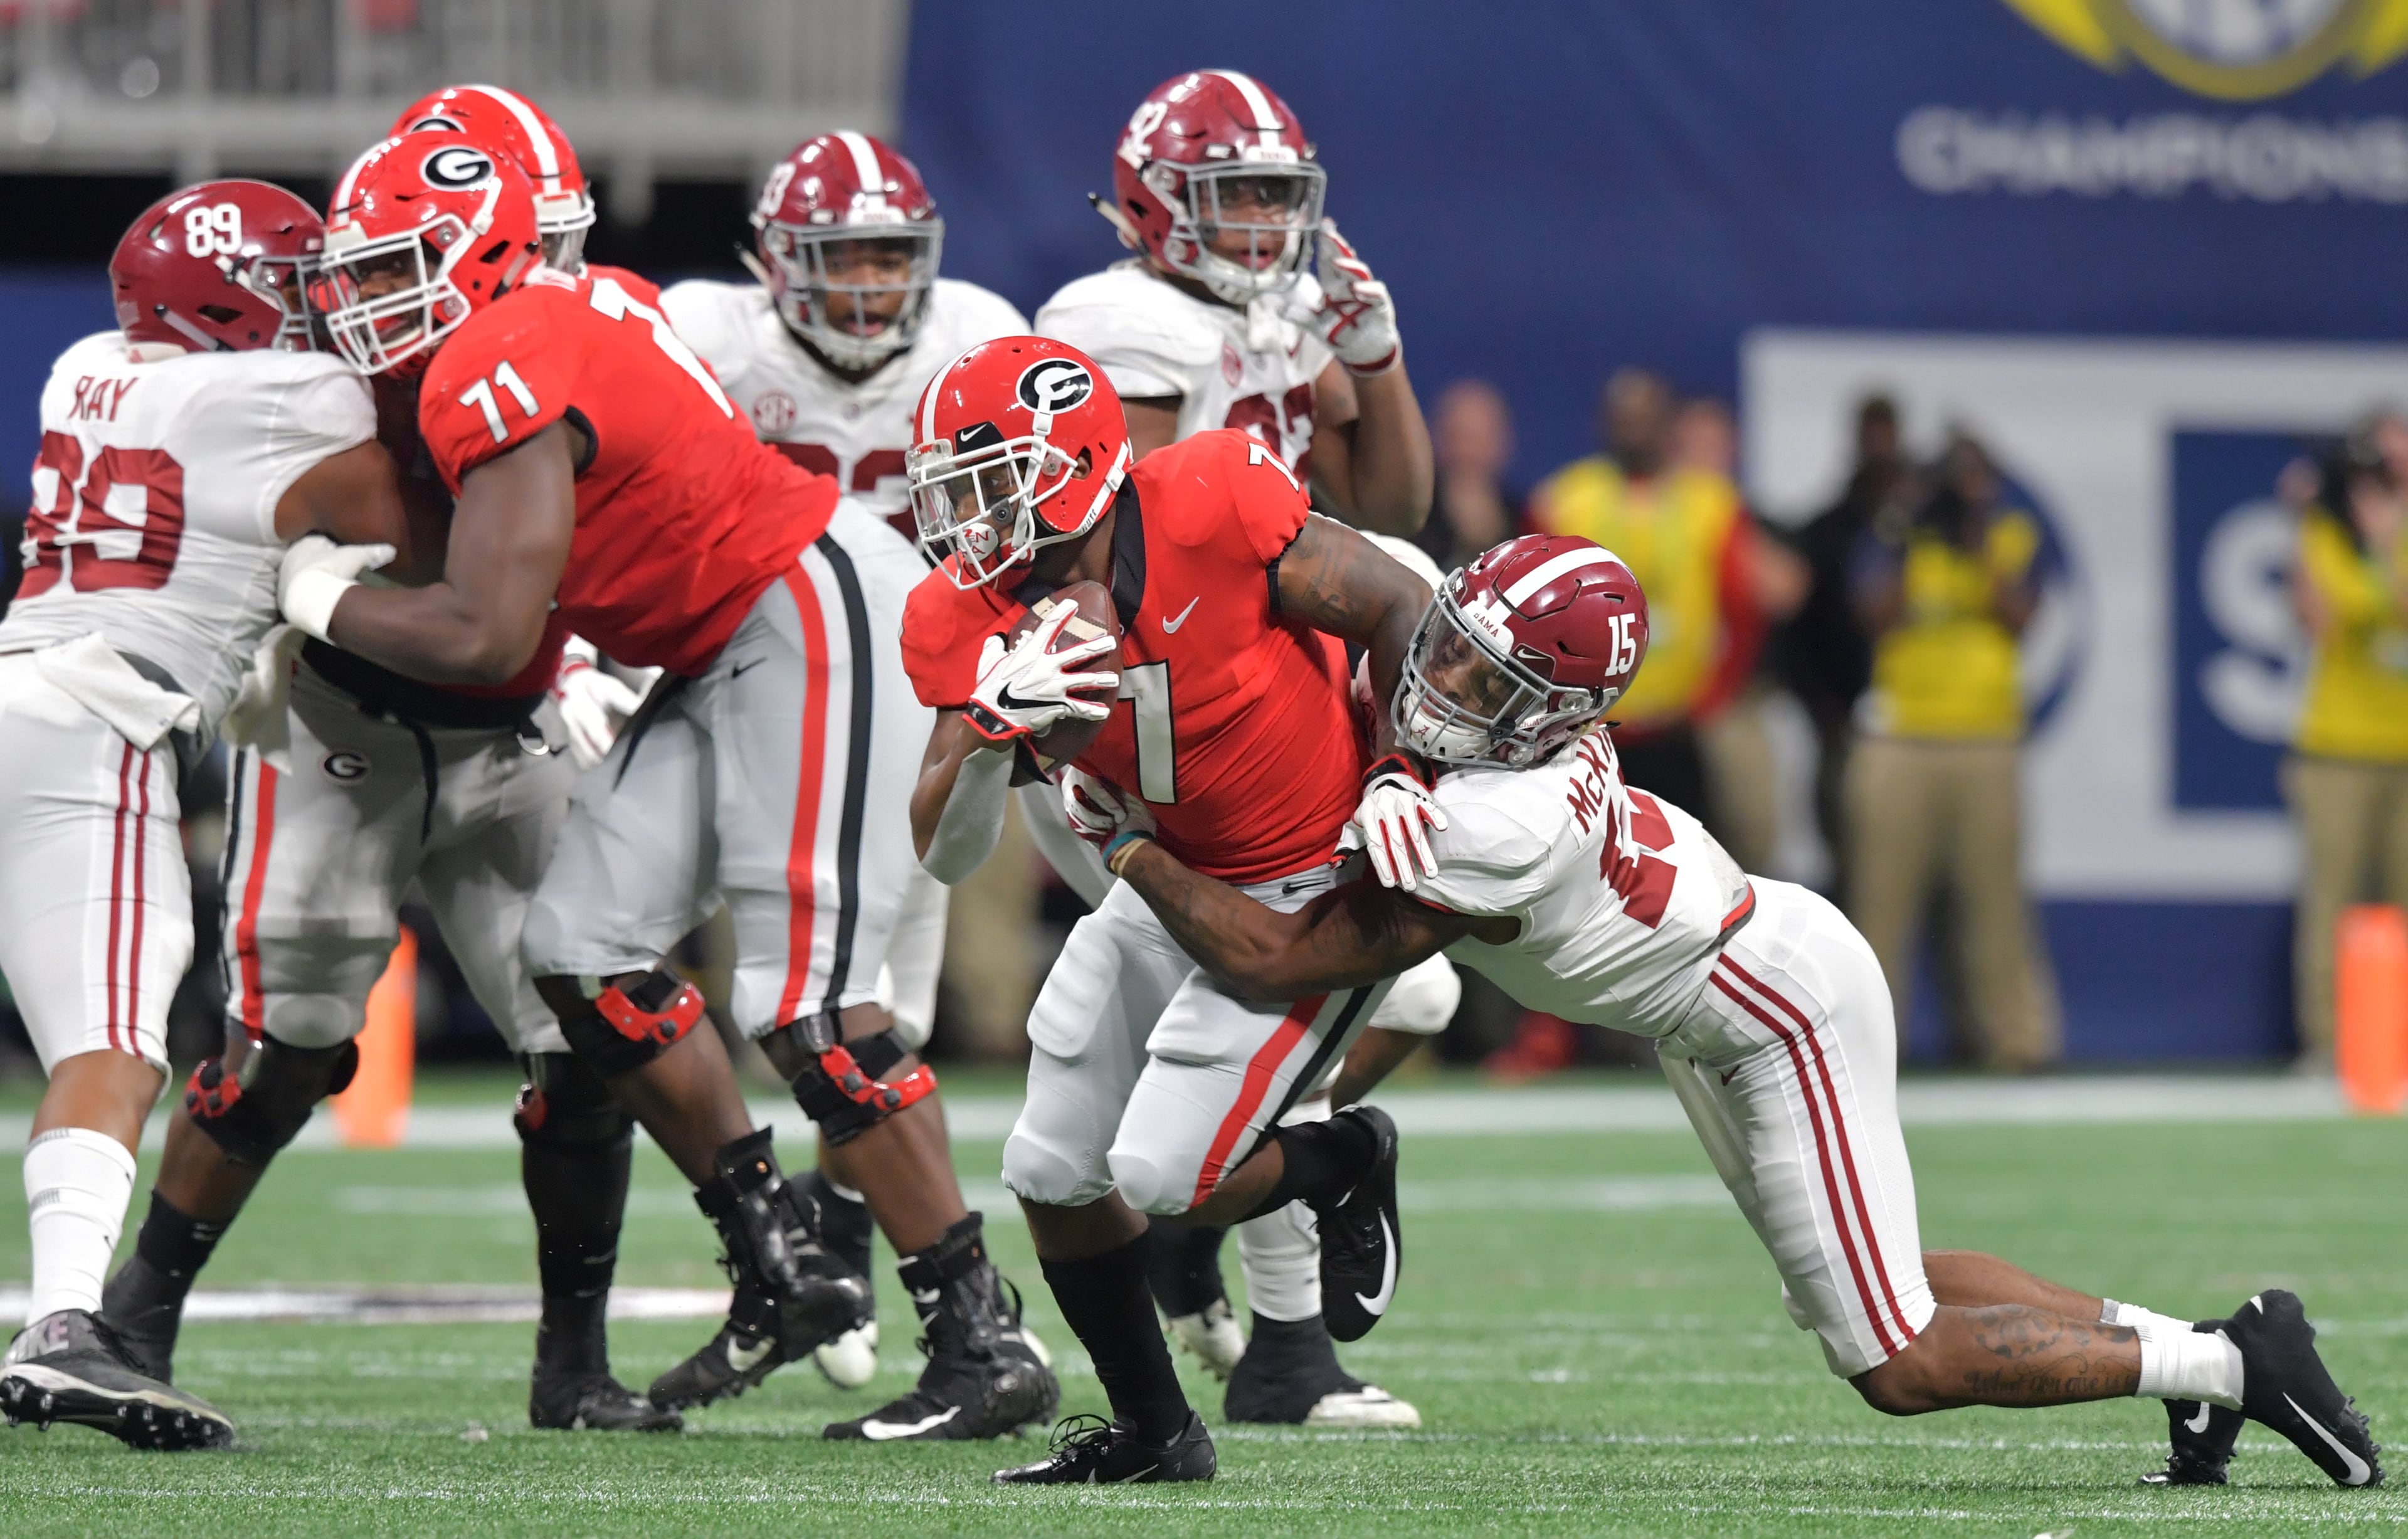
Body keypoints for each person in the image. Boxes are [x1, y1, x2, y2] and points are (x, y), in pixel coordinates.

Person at [1089, 531, 2383, 1494]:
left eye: (1490, 689)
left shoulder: (1506, 819)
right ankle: (2199, 1353)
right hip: (1711, 999)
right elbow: (1375, 598)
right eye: (1454, 654)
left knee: (1896, 1362)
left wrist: (1131, 846)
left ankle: (2231, 1367)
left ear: (1557, 718)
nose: (1445, 689)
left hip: (1774, 1007)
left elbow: (1279, 959)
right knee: (1867, 1293)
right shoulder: (1496, 731)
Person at [286, 131, 1057, 1442]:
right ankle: (781, 1258)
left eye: (403, 263)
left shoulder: (499, 346)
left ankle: (983, 1340)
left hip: (805, 610)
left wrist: (313, 595)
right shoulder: (585, 308)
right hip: (715, 644)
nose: (371, 299)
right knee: (578, 948)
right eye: (361, 272)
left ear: (494, 246)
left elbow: (481, 632)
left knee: (810, 1005)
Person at [98, 83, 682, 1440]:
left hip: (519, 717)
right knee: (288, 1039)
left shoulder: (584, 348)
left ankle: (573, 1365)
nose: (547, 278)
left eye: (553, 245)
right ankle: (134, 1316)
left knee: (577, 1033)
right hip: (336, 727)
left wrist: (598, 654)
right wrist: (234, 628)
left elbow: (630, 525)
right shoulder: (315, 369)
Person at [900, 336, 1435, 1482]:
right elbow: (944, 852)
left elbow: (1398, 601)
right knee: (1050, 1163)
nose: (971, 519)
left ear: (1079, 459)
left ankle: (1340, 1156)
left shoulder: (1206, 498)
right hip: (1167, 876)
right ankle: (1155, 1432)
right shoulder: (963, 615)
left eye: (993, 480)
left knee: (1158, 1172)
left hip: (1314, 872)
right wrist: (992, 731)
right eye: (957, 486)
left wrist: (1402, 774)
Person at [1030, 67, 1445, 1427]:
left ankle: (1217, 1244)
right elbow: (1129, 544)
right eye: (1237, 193)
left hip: (1243, 715)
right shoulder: (1114, 320)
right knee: (1260, 1010)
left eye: (1279, 192)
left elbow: (1386, 511)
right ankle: (1274, 1333)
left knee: (1397, 998)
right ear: (1154, 206)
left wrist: (1369, 354)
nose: (1266, 222)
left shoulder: (1274, 317)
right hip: (1130, 729)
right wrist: (1282, 368)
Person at [0, 179, 414, 1449]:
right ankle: (67, 1325)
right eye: (298, 289)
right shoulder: (288, 397)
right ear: (233, 307)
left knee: (99, 1039)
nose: (325, 310)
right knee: (115, 1047)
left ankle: (66, 1325)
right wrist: (313, 574)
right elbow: (406, 522)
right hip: (97, 736)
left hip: (28, 685)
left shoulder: (83, 364)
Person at [658, 129, 1034, 1399]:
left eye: (891, 257)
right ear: (775, 263)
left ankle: (836, 1244)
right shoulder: (710, 339)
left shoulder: (977, 332)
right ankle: (806, 1252)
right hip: (746, 688)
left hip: (918, 691)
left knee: (886, 1006)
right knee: (782, 991)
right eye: (843, 258)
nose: (872, 287)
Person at [1847, 433, 2058, 1072]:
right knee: (1882, 903)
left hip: (1986, 738)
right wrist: (1914, 534)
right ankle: (1866, 1045)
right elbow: (1871, 613)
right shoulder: (1898, 534)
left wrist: (1975, 539)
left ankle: (2018, 1040)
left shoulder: (2010, 535)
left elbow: (2020, 617)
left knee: (1995, 902)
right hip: (1901, 736)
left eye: (1977, 480)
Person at [2284, 417, 2408, 1071]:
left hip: (2405, 748)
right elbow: (2328, 620)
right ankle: (2327, 1043)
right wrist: (2321, 528)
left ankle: (2401, 1048)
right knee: (2331, 902)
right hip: (2337, 747)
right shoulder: (2325, 529)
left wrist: (2388, 546)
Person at [1784, 394, 1910, 897]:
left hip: (1920, 726)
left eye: (1887, 434)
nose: (1878, 447)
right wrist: (1824, 709)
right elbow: (1799, 634)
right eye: (1869, 435)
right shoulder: (1828, 533)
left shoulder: (1925, 531)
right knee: (1854, 871)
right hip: (1846, 729)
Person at [1417, 378, 1524, 573]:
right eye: (1457, 437)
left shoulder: (1527, 523)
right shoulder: (1408, 517)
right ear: (1435, 438)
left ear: (1505, 443)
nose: (1467, 452)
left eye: (1478, 439)